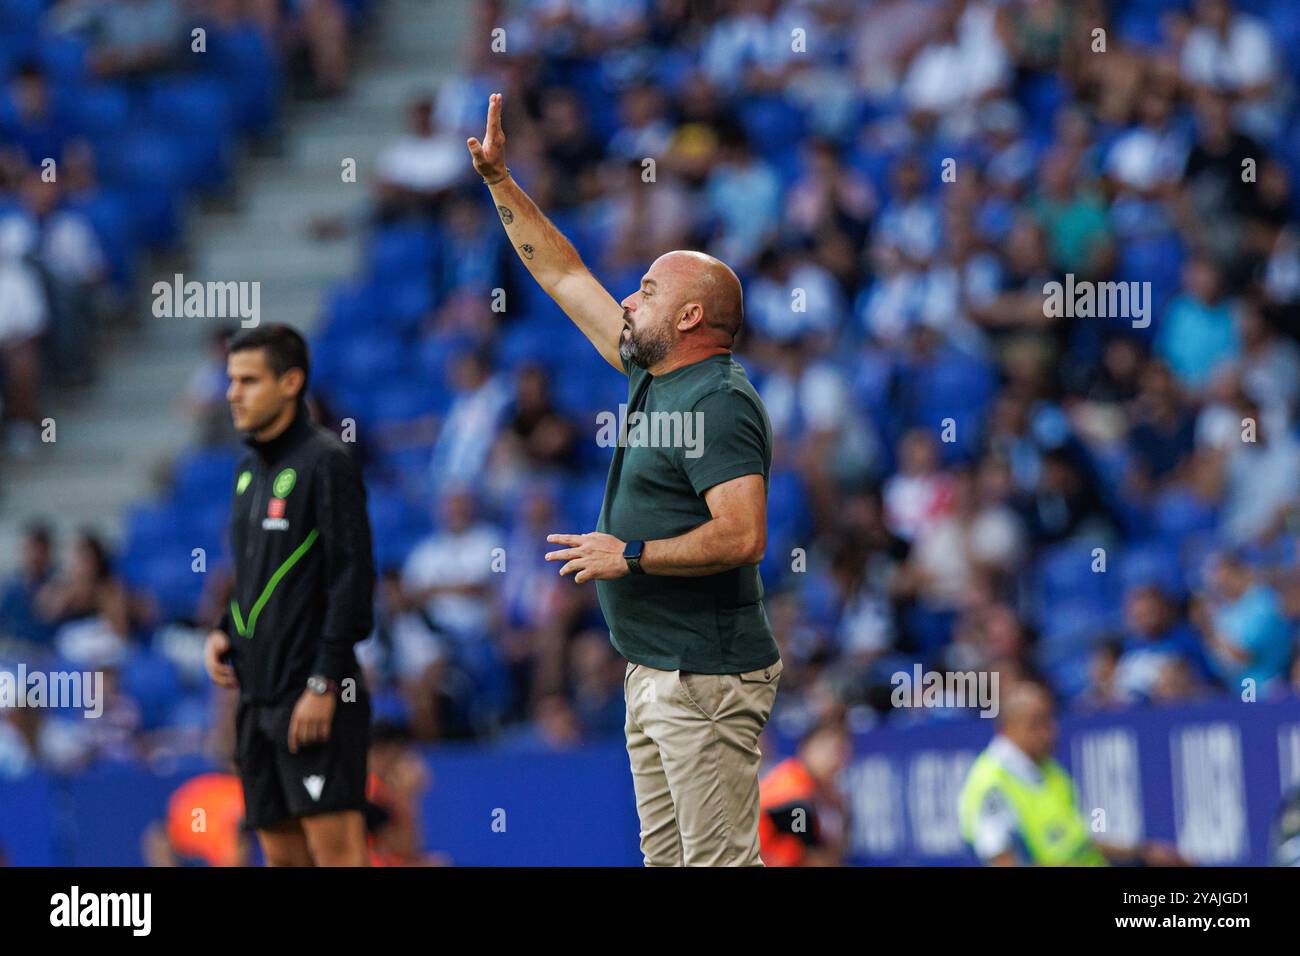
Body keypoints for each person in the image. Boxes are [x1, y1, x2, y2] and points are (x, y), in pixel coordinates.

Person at [468, 93, 782, 866]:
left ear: (687, 320)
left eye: (646, 289)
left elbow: (743, 535)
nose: (630, 298)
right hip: (656, 669)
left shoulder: (718, 399)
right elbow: (566, 275)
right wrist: (503, 182)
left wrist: (630, 556)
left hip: (704, 676)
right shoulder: (654, 373)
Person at [203, 324, 376, 866]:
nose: (232, 392)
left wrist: (324, 683)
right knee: (281, 859)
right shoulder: (247, 469)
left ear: (291, 382)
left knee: (338, 857)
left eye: (249, 380)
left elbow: (353, 578)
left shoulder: (327, 461)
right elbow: (253, 575)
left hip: (315, 696)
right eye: (231, 380)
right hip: (257, 701)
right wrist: (223, 632)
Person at [958, 682, 1185, 866]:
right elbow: (1002, 860)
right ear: (1007, 727)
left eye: (1050, 720)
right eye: (1037, 724)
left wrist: (1144, 853)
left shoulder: (1049, 771)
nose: (1050, 732)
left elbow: (1078, 842)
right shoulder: (990, 784)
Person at [758, 721, 851, 866]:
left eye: (840, 751)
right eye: (827, 749)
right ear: (806, 749)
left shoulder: (818, 792)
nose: (834, 759)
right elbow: (816, 862)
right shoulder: (795, 795)